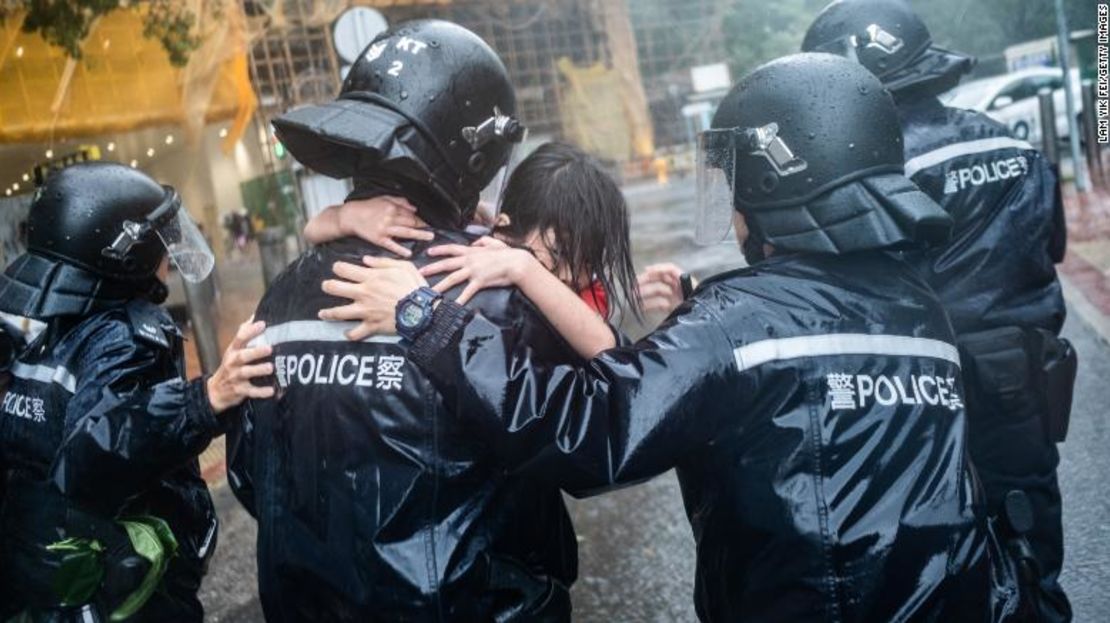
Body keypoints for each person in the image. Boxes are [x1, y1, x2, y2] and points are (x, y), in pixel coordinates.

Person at [316, 53, 1022, 621]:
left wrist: (425, 319)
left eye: (736, 187)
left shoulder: (734, 325)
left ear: (777, 189)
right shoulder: (920, 310)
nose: (733, 210)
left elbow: (597, 431)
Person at [225, 20, 598, 621]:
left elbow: (250, 469)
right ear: (477, 155)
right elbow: (587, 446)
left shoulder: (283, 291)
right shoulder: (488, 288)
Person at [801, 2, 1075, 620]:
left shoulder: (873, 175)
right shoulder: (1015, 144)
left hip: (920, 397)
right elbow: (1050, 248)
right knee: (1033, 555)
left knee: (932, 568)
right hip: (1025, 383)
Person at [0, 162, 272, 622]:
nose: (168, 252)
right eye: (161, 239)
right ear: (123, 252)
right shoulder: (123, 336)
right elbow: (93, 452)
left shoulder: (34, 333)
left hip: (42, 576)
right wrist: (206, 398)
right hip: (121, 592)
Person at [307, 140, 641, 358]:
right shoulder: (474, 244)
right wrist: (346, 216)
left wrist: (524, 269)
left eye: (589, 260)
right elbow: (312, 230)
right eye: (561, 252)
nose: (571, 274)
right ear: (504, 226)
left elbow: (605, 349)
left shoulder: (571, 292)